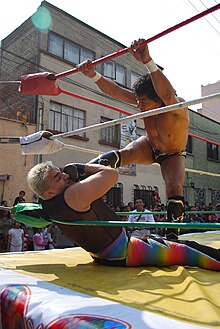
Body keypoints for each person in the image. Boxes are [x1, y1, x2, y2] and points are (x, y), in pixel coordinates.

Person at [78, 38, 189, 240]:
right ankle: (79, 176)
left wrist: (148, 61)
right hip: (149, 145)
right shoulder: (144, 101)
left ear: (158, 100)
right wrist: (92, 75)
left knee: (174, 187)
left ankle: (173, 235)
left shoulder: (175, 106)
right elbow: (116, 92)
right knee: (122, 155)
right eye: (138, 101)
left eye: (143, 102)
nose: (139, 106)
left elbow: (167, 93)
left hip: (172, 154)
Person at [26, 161, 220, 271]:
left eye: (61, 172)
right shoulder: (72, 195)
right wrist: (83, 167)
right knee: (189, 250)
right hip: (123, 251)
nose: (65, 176)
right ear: (48, 192)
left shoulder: (47, 205)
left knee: (167, 243)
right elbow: (112, 174)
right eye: (58, 178)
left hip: (108, 252)